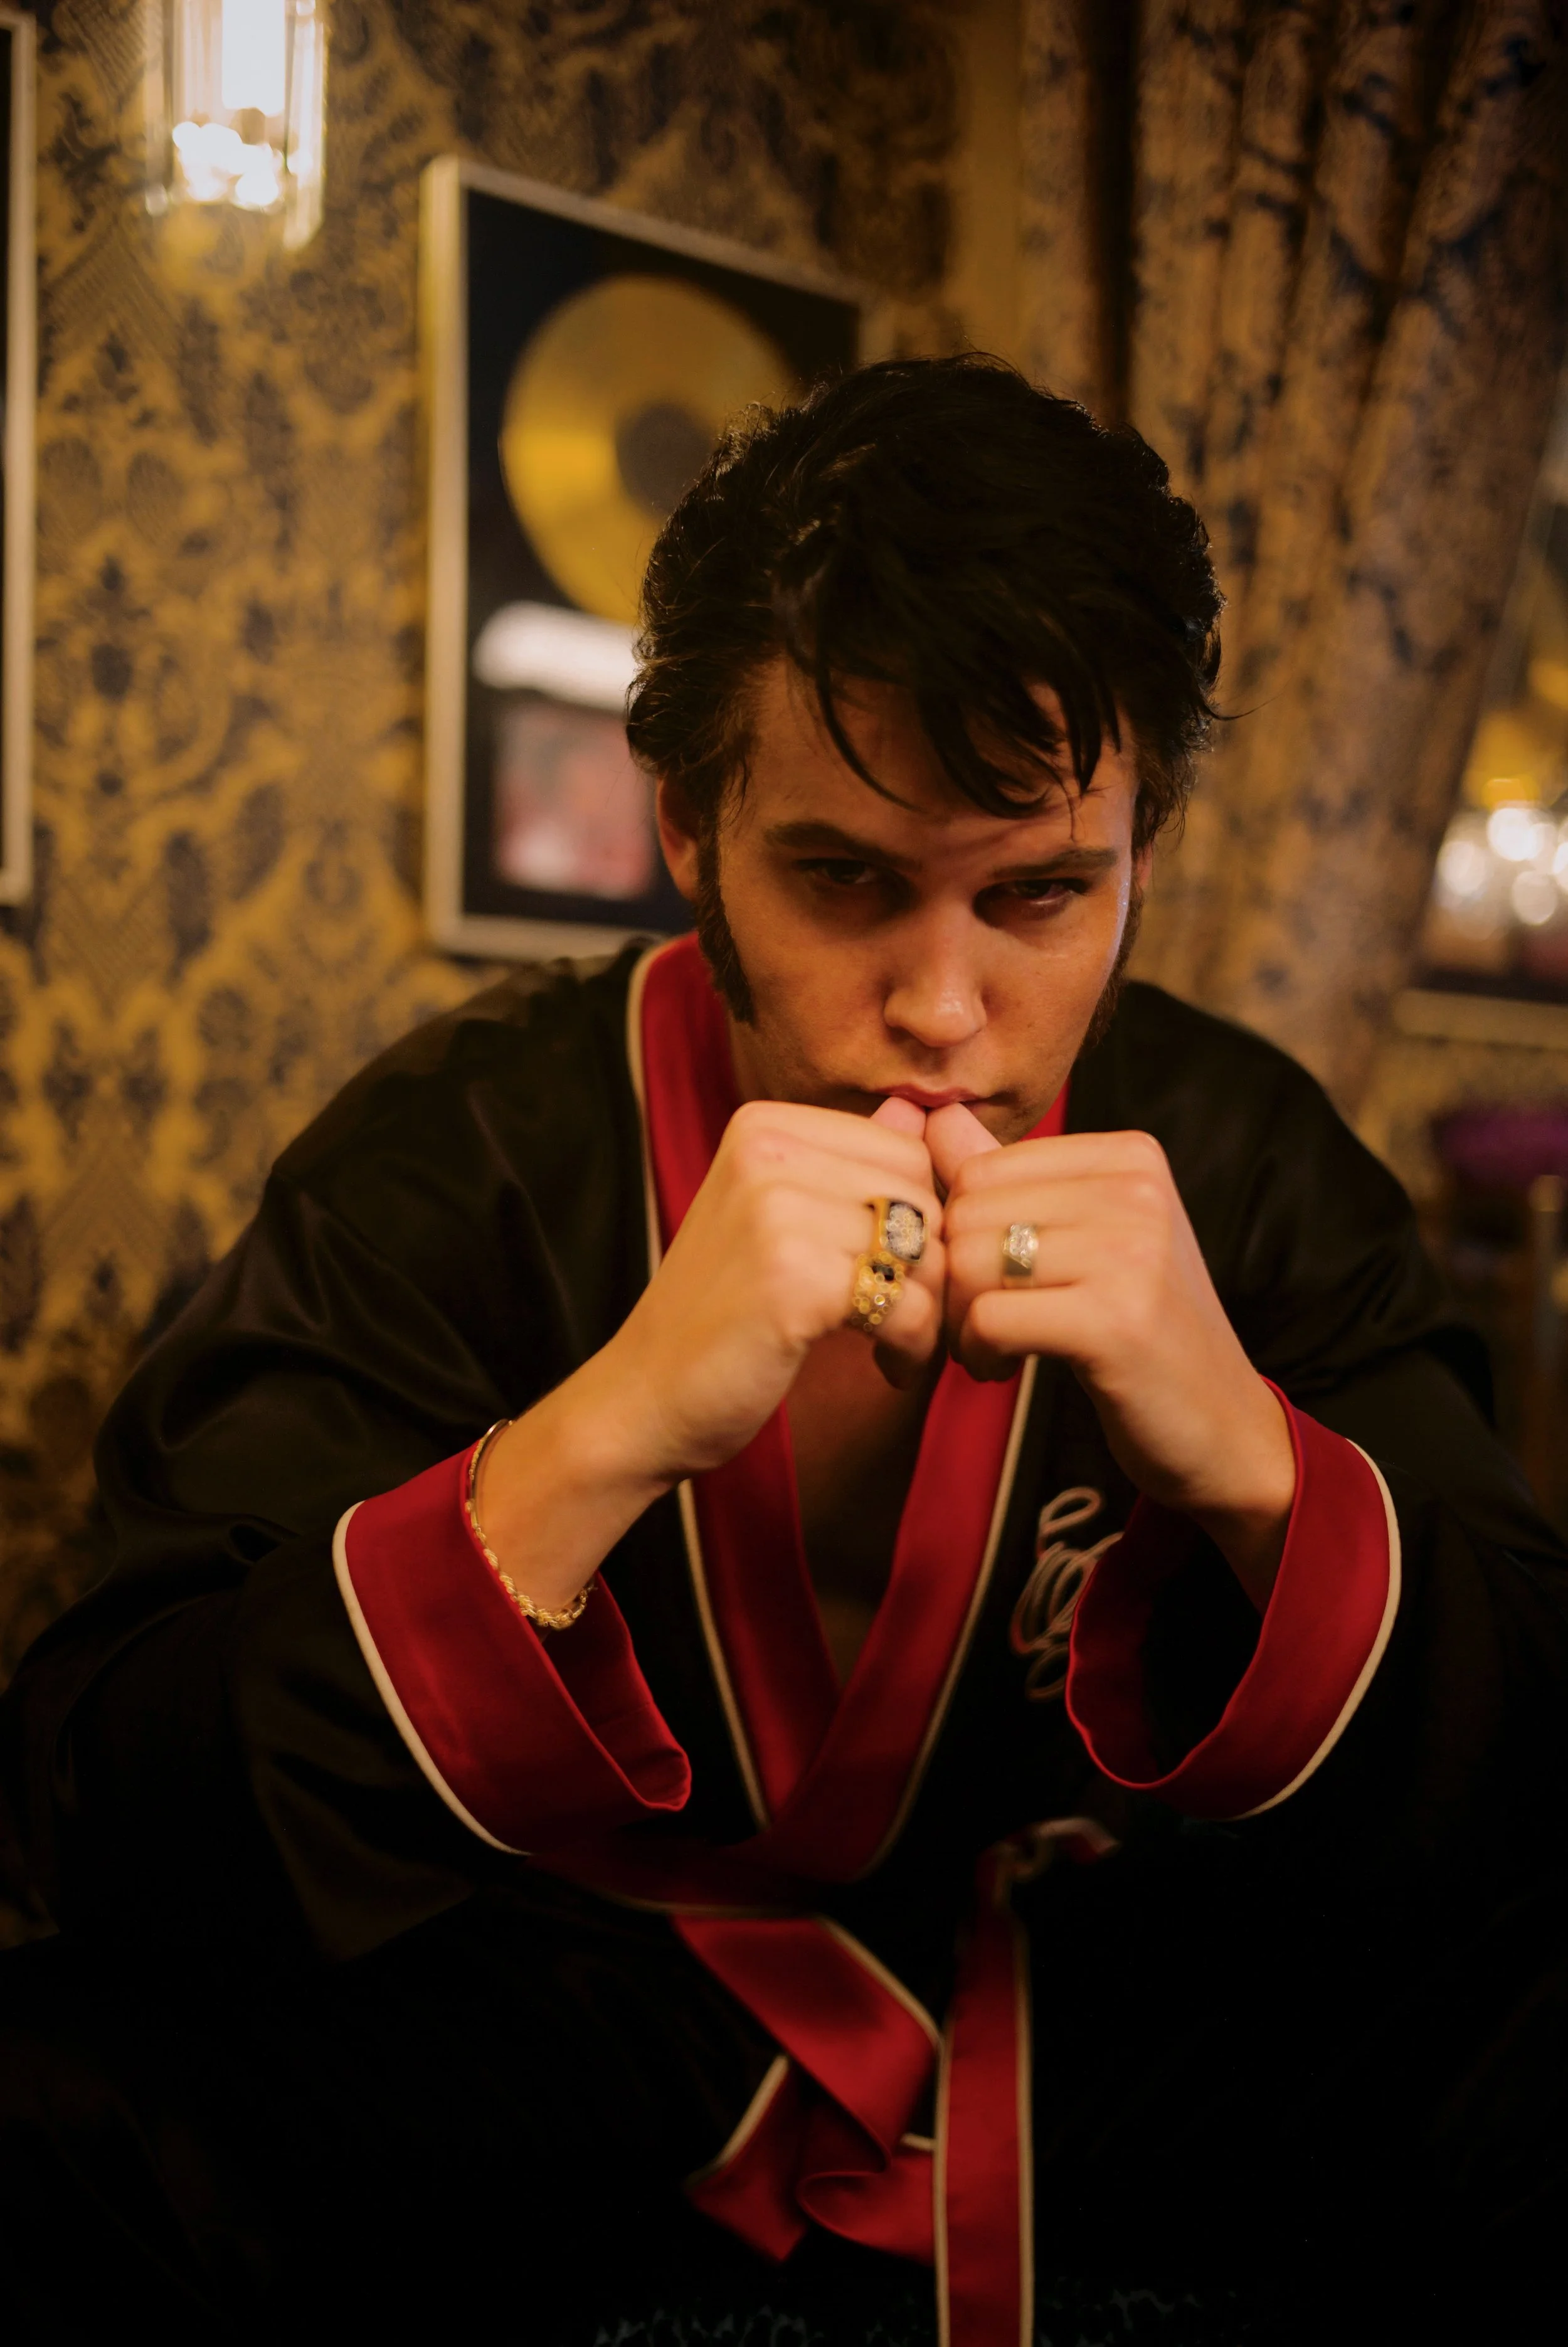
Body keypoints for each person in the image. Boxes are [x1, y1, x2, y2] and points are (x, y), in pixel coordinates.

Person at [1, 356, 1564, 2346]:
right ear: (687, 822)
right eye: (842, 878)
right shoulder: (465, 1153)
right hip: (578, 2005)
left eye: (1039, 892)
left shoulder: (1242, 1156)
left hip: (1103, 2006)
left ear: (1140, 856)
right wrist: (589, 1444)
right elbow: (97, 1797)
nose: (943, 1006)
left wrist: (1255, 1468)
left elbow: (1527, 1759)